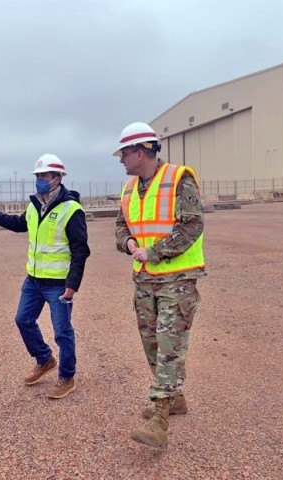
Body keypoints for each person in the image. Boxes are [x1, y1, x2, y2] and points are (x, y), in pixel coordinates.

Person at [113, 122, 205, 448]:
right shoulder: (128, 190)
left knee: (168, 343)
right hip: (144, 280)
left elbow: (192, 226)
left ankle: (160, 419)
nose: (121, 160)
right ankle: (175, 397)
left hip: (176, 279)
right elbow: (121, 227)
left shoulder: (180, 180)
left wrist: (152, 251)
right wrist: (128, 245)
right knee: (151, 342)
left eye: (124, 153)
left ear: (140, 152)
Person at [0, 154, 90, 399]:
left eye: (45, 175)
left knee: (62, 332)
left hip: (58, 285)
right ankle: (44, 359)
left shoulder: (71, 209)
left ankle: (67, 377)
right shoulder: (34, 205)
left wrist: (73, 285)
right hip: (34, 281)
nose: (40, 180)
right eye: (38, 175)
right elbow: (19, 224)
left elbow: (81, 250)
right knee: (23, 320)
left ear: (58, 178)